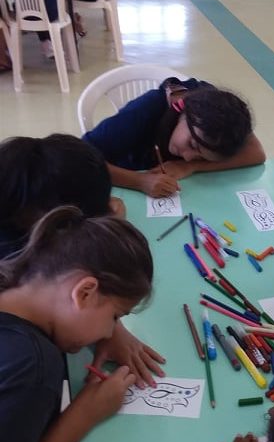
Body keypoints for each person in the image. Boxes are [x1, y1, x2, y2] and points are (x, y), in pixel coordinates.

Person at [0, 206, 153, 442]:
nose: (110, 333)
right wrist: (82, 416)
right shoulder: (35, 369)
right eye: (115, 316)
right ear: (84, 293)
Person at [0, 134, 166, 387]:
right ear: (52, 220)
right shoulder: (31, 360)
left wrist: (110, 324)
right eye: (85, 225)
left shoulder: (30, 189)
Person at [82, 77, 267, 197]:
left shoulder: (222, 113)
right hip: (124, 184)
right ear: (186, 113)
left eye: (201, 156)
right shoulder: (144, 111)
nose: (187, 156)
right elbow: (79, 160)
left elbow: (256, 153)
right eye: (192, 145)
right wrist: (140, 181)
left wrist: (192, 166)